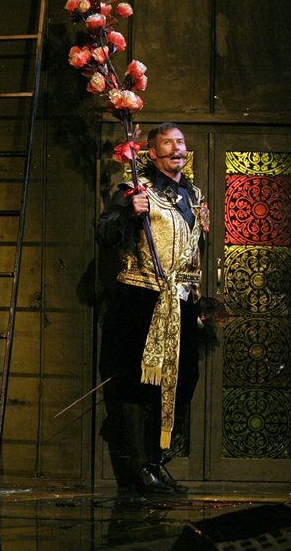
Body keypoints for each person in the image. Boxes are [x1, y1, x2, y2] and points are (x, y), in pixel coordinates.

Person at [96, 122, 211, 495]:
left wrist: (197, 298)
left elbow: (191, 253)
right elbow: (104, 234)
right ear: (152, 152)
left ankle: (157, 460)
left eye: (180, 142)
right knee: (138, 382)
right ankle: (138, 467)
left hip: (180, 301)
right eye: (168, 143)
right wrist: (129, 212)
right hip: (141, 297)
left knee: (182, 379)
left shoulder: (193, 195)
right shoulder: (136, 190)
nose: (177, 149)